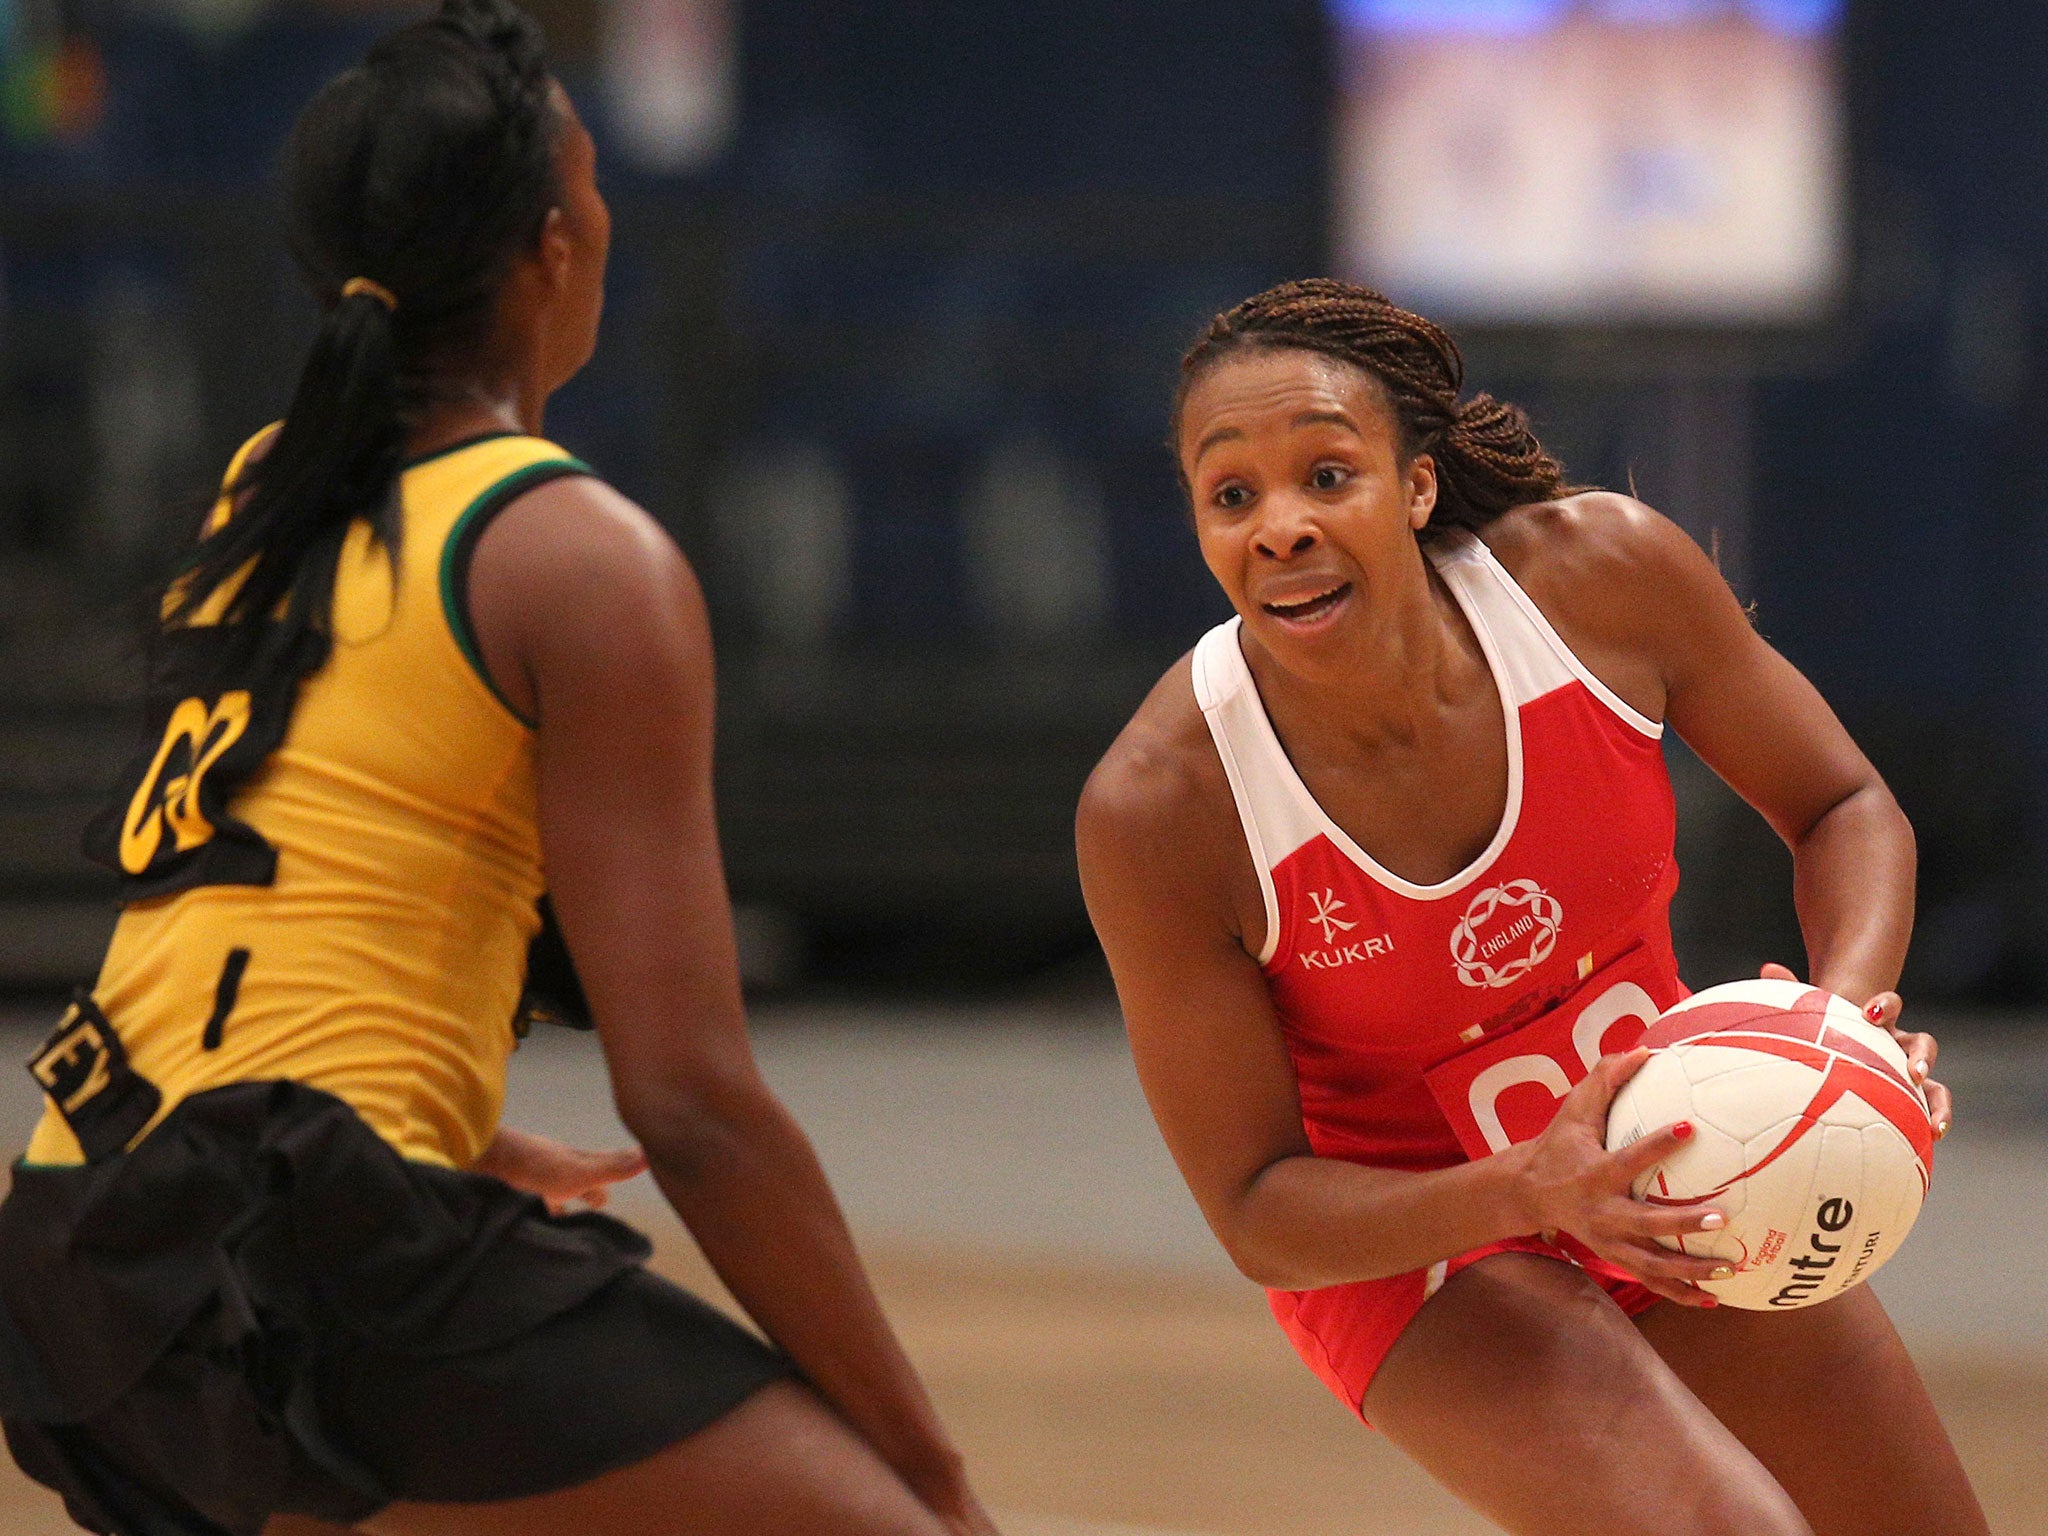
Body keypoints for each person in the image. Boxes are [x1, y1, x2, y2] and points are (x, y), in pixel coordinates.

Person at [0, 4, 998, 1533]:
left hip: (90, 1227)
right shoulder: (575, 555)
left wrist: (435, 1123)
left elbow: (285, 883)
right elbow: (697, 1106)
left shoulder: (269, 489)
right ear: (551, 246)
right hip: (304, 1228)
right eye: (595, 198)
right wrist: (926, 1469)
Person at [1076, 278, 1985, 1536]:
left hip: (1682, 1146)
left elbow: (1841, 805)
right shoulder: (1163, 804)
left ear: (1415, 487)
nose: (1276, 525)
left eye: (1325, 475)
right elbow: (1256, 1210)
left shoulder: (1599, 578)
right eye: (1230, 495)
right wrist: (1523, 1194)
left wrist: (1837, 1032)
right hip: (1411, 1245)